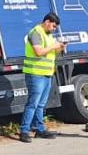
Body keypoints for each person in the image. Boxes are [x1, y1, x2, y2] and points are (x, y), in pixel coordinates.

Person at [20, 11, 66, 143]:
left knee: (41, 104)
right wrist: (54, 46)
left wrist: (59, 48)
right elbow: (39, 52)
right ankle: (24, 131)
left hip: (46, 74)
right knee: (33, 103)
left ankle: (39, 129)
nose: (54, 29)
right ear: (47, 22)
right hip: (35, 74)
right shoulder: (36, 33)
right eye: (53, 26)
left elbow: (50, 52)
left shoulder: (48, 35)